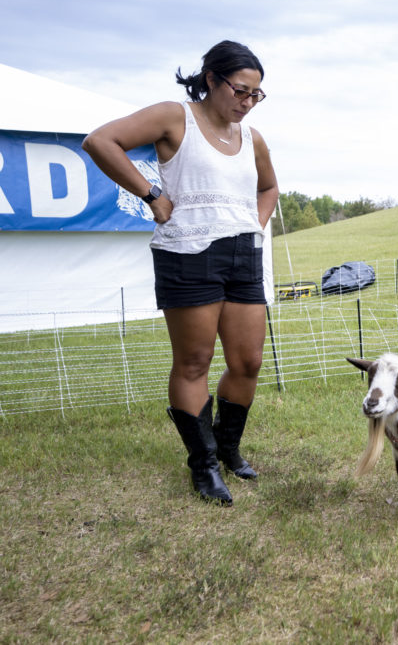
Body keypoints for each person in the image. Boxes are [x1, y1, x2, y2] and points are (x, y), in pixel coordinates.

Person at [82, 40, 279, 506]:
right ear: (211, 79)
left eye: (256, 95)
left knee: (248, 361)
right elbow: (99, 141)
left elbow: (269, 186)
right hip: (187, 254)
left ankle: (228, 448)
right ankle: (203, 465)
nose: (247, 102)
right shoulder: (176, 117)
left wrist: (254, 222)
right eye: (240, 90)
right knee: (194, 363)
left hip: (242, 254)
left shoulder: (251, 138)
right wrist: (151, 195)